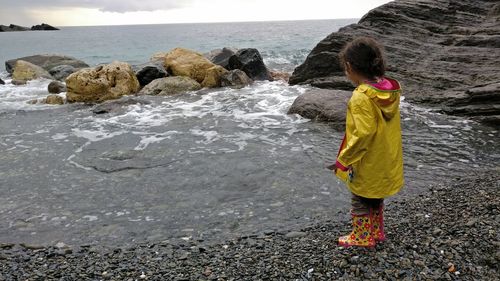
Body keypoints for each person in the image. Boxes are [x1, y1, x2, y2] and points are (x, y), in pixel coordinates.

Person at [333, 37, 404, 247]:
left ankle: (362, 237)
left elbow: (363, 135)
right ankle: (376, 231)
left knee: (359, 197)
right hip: (385, 158)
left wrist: (344, 160)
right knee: (375, 196)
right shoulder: (387, 91)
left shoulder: (361, 97)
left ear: (350, 67)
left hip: (367, 160)